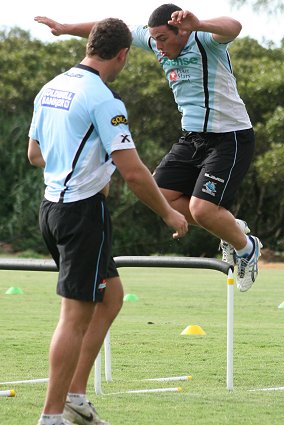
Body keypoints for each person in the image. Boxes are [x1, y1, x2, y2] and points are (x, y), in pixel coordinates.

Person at [28, 18, 188, 425]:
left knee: (111, 296)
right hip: (82, 215)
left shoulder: (52, 87)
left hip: (50, 210)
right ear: (122, 54)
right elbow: (133, 173)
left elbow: (35, 154)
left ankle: (76, 397)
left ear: (90, 46)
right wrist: (169, 211)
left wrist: (74, 166)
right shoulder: (104, 98)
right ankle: (51, 416)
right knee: (74, 316)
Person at [34, 5, 262, 290]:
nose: (158, 47)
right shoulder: (153, 38)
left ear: (183, 32)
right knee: (159, 195)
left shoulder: (204, 41)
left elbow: (234, 26)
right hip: (192, 137)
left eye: (163, 40)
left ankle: (247, 249)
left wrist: (199, 23)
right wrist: (65, 28)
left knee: (202, 210)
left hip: (230, 137)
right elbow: (110, 29)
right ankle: (229, 227)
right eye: (154, 40)